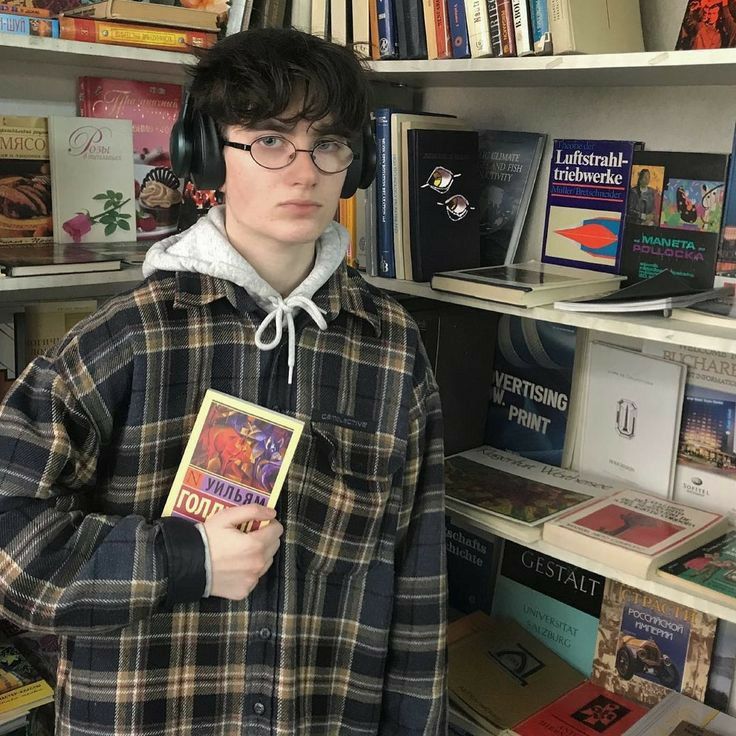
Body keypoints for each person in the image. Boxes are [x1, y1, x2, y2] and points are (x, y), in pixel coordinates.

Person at [0, 28, 447, 735]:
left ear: (354, 165)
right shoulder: (120, 343)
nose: (304, 172)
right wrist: (185, 559)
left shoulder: (393, 350)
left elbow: (418, 575)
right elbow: (9, 543)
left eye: (329, 143)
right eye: (270, 140)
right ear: (209, 154)